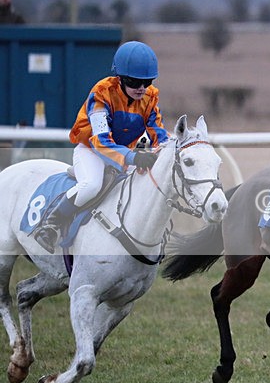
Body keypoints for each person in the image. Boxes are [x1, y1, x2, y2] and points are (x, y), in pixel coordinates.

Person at [34, 41, 169, 253]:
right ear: (120, 78)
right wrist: (132, 158)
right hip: (91, 150)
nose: (142, 88)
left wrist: (170, 150)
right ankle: (51, 224)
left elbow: (158, 133)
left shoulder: (150, 97)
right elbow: (100, 141)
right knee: (91, 185)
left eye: (147, 81)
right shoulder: (101, 93)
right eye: (135, 82)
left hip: (125, 154)